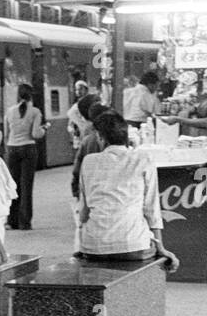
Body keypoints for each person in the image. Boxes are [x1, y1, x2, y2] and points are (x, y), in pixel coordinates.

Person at [76, 111, 179, 271]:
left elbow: (83, 212)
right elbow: (151, 210)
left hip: (93, 246)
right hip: (133, 246)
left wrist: (82, 243)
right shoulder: (144, 159)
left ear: (101, 137)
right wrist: (161, 248)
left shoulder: (88, 162)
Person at [3, 83, 45, 231]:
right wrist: (44, 129)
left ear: (18, 96)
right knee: (27, 186)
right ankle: (24, 223)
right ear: (30, 95)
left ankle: (11, 221)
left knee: (14, 186)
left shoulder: (9, 111)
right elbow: (35, 134)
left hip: (12, 149)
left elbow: (7, 134)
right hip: (28, 149)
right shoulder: (35, 112)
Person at [70, 99, 110, 252]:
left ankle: (81, 251)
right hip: (100, 187)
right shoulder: (101, 138)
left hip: (87, 187)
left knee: (83, 223)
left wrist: (75, 190)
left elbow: (77, 168)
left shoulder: (87, 139)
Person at [67, 79, 92, 152]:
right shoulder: (75, 106)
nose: (78, 92)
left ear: (86, 90)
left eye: (81, 89)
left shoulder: (91, 103)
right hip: (79, 137)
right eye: (76, 90)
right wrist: (73, 130)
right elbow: (70, 124)